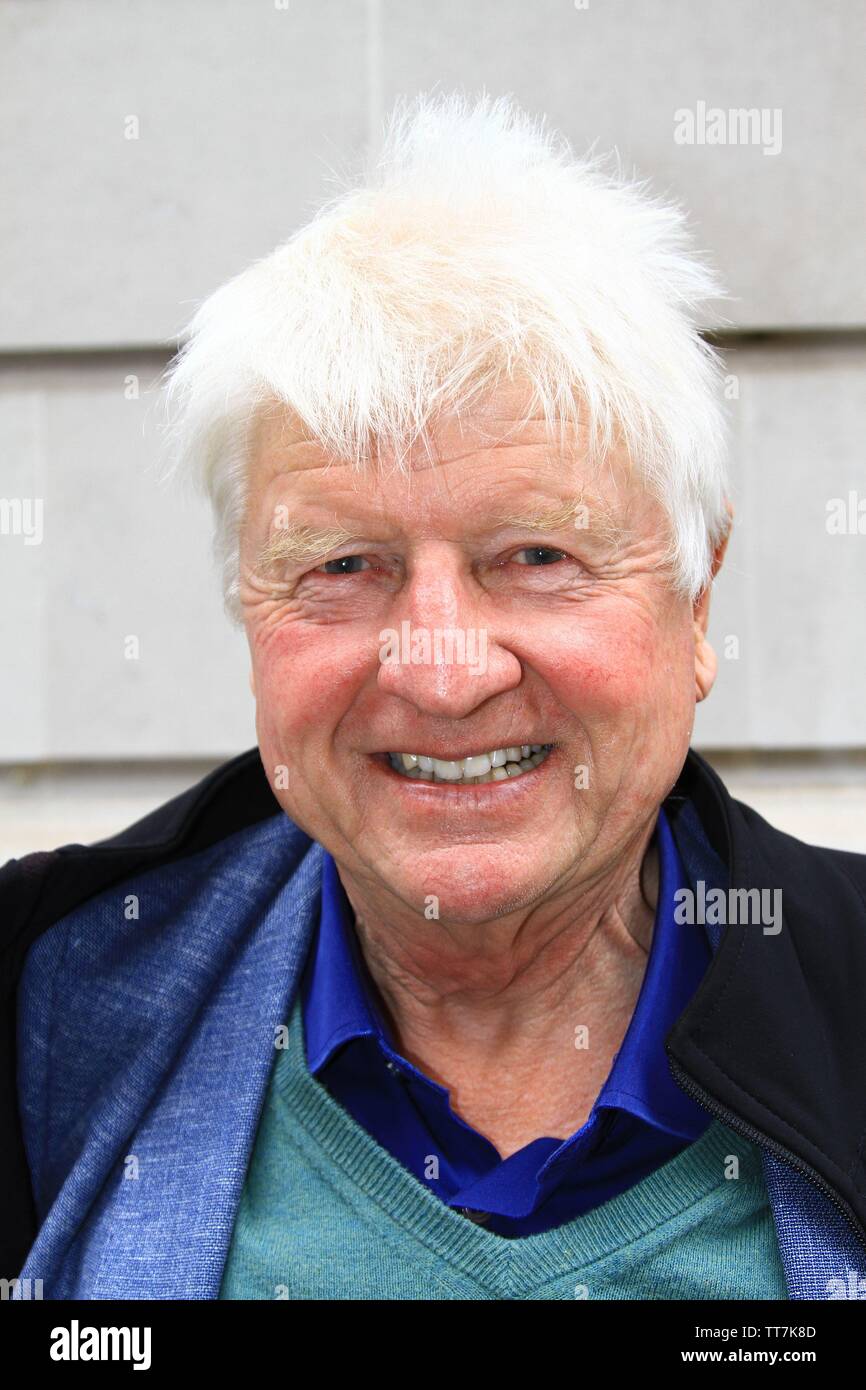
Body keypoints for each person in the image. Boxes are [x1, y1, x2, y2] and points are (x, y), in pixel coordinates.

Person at [4, 92, 866, 1301]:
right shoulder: (52, 1012)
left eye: (536, 557)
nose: (445, 672)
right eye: (342, 567)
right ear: (248, 603)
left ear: (693, 600)